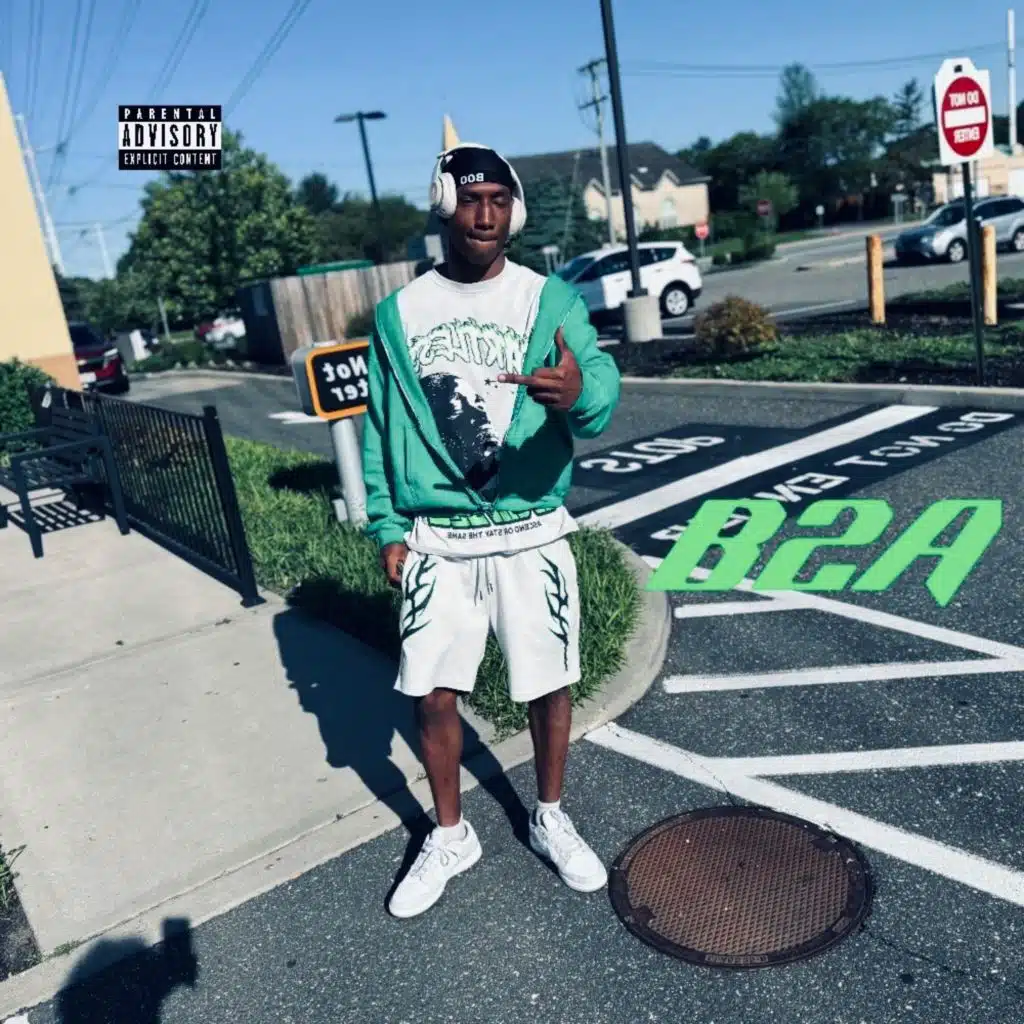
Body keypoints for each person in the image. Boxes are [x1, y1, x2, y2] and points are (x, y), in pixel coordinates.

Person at [361, 142, 622, 919]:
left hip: (532, 527)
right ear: (445, 204)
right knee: (432, 695)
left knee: (548, 683)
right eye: (472, 199)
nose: (485, 215)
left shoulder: (550, 300)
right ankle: (451, 835)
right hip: (439, 538)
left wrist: (577, 393)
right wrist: (387, 524)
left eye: (499, 201)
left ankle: (549, 816)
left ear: (515, 211)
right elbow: (379, 427)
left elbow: (599, 389)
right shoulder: (399, 315)